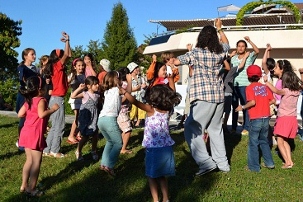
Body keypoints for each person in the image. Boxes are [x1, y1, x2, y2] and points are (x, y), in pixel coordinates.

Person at [174, 18, 230, 175]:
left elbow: (180, 61)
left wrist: (173, 61)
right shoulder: (220, 52)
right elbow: (226, 44)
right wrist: (219, 28)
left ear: (201, 38)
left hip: (203, 97)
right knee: (215, 130)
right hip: (219, 96)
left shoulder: (196, 53)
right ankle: (223, 164)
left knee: (191, 128)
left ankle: (205, 163)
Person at [120, 84, 181, 202]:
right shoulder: (168, 110)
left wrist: (124, 92)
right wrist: (171, 80)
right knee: (162, 176)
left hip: (153, 148)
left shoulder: (151, 109)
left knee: (151, 175)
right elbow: (173, 92)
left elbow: (136, 102)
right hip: (166, 148)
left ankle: (155, 200)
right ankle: (166, 199)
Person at [18, 76, 59, 196]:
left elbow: (20, 114)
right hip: (35, 134)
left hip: (26, 132)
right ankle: (32, 189)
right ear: (40, 89)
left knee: (29, 160)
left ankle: (23, 185)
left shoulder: (29, 100)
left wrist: (33, 119)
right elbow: (41, 114)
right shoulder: (41, 100)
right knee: (36, 162)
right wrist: (52, 109)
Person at [235, 65, 275, 172]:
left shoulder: (249, 88)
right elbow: (273, 100)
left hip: (255, 118)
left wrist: (242, 107)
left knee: (253, 143)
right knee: (264, 141)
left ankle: (254, 167)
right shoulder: (265, 87)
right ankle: (269, 163)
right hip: (266, 118)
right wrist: (264, 104)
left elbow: (252, 102)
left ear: (248, 76)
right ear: (259, 76)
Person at [264, 71, 302, 169]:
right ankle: (290, 161)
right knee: (285, 141)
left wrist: (267, 82)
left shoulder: (286, 90)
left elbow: (276, 91)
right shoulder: (297, 91)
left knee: (280, 141)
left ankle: (287, 162)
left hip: (283, 118)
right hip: (292, 118)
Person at [43, 32, 71, 158]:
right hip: (58, 99)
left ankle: (47, 149)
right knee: (60, 126)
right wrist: (67, 41)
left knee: (54, 126)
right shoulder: (57, 66)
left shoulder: (55, 67)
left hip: (54, 98)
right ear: (57, 58)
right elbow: (68, 54)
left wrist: (67, 42)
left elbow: (67, 55)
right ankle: (55, 151)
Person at [231, 36, 259, 135]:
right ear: (237, 47)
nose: (241, 48)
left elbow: (257, 51)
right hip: (234, 85)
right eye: (239, 46)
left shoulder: (249, 56)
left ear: (245, 48)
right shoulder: (233, 58)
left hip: (245, 85)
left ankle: (246, 127)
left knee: (245, 107)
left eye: (243, 46)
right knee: (234, 107)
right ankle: (233, 127)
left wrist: (249, 41)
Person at [98, 71, 123, 176]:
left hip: (101, 120)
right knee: (118, 143)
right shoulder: (117, 90)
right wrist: (129, 81)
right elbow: (128, 92)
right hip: (109, 120)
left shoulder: (107, 92)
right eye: (119, 78)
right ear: (115, 80)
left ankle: (103, 164)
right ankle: (109, 165)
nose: (121, 79)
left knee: (110, 142)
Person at [71, 76, 100, 161]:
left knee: (95, 135)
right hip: (85, 118)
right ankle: (78, 151)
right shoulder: (85, 94)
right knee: (85, 136)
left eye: (98, 84)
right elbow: (73, 96)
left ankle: (94, 150)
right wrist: (79, 88)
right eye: (95, 84)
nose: (97, 85)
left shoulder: (97, 95)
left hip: (94, 117)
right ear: (88, 86)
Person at [16, 48, 40, 150]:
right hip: (24, 94)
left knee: (30, 117)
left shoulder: (35, 68)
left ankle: (28, 139)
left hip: (33, 95)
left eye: (34, 54)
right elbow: (21, 80)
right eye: (32, 54)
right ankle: (20, 140)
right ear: (25, 56)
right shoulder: (21, 67)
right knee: (23, 117)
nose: (34, 56)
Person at [222, 51, 250, 132]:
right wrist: (245, 57)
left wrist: (230, 56)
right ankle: (224, 125)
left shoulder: (220, 70)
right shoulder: (231, 70)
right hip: (228, 92)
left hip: (220, 93)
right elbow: (241, 66)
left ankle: (223, 126)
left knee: (222, 111)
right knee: (227, 110)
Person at [67, 58, 86, 144]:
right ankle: (71, 135)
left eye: (82, 65)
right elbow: (66, 84)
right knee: (77, 117)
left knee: (81, 117)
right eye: (79, 65)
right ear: (74, 67)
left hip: (82, 98)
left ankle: (78, 133)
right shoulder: (72, 75)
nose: (81, 67)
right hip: (75, 98)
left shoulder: (84, 75)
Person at [117, 67, 133, 154]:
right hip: (122, 111)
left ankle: (119, 146)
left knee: (123, 129)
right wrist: (130, 81)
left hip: (122, 110)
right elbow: (128, 94)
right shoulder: (124, 84)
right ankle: (122, 148)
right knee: (127, 130)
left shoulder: (120, 84)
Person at [128, 62, 147, 127]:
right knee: (133, 110)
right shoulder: (129, 78)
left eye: (137, 68)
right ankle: (131, 121)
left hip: (140, 96)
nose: (137, 69)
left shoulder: (140, 77)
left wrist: (144, 86)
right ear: (132, 70)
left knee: (141, 110)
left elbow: (144, 84)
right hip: (133, 96)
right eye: (136, 68)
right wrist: (136, 88)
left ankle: (138, 122)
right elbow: (128, 89)